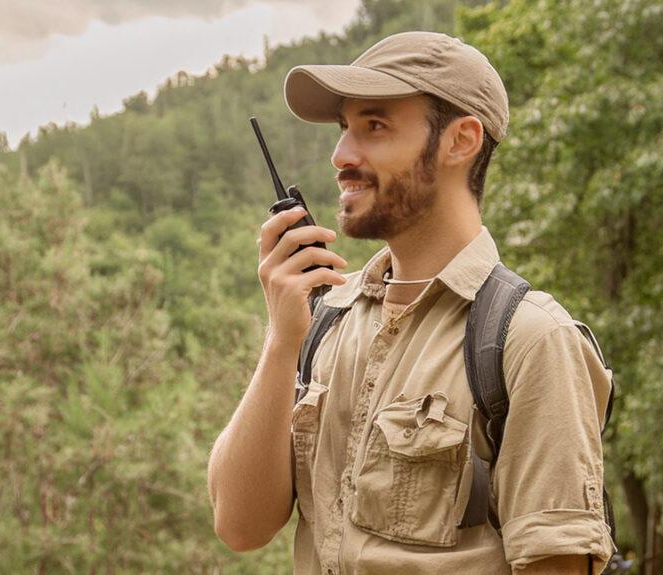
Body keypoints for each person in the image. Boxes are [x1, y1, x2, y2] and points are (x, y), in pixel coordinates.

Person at [207, 31, 615, 574]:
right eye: (344, 129)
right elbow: (240, 526)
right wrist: (283, 341)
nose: (341, 156)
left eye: (374, 127)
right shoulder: (325, 324)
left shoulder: (530, 339)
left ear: (461, 140)